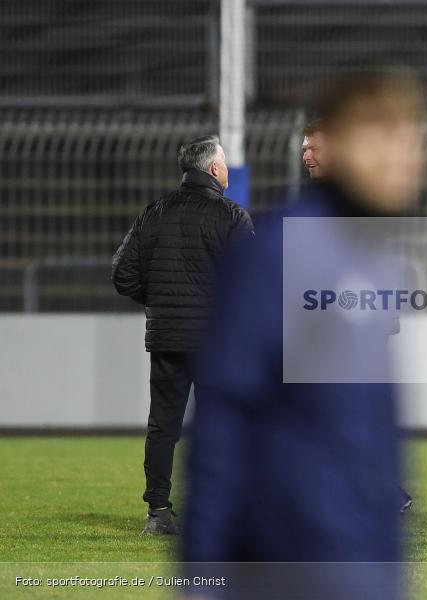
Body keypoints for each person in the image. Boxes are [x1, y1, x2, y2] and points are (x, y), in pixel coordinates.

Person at [181, 70, 427, 598]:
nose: (399, 157)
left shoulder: (375, 254)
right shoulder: (278, 249)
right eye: (378, 137)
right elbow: (223, 418)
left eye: (409, 139)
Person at [111, 135, 254, 535]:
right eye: (224, 162)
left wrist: (162, 300)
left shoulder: (154, 213)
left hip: (167, 337)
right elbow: (253, 280)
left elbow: (122, 275)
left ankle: (158, 513)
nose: (226, 169)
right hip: (216, 341)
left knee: (163, 427)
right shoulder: (230, 216)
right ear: (213, 170)